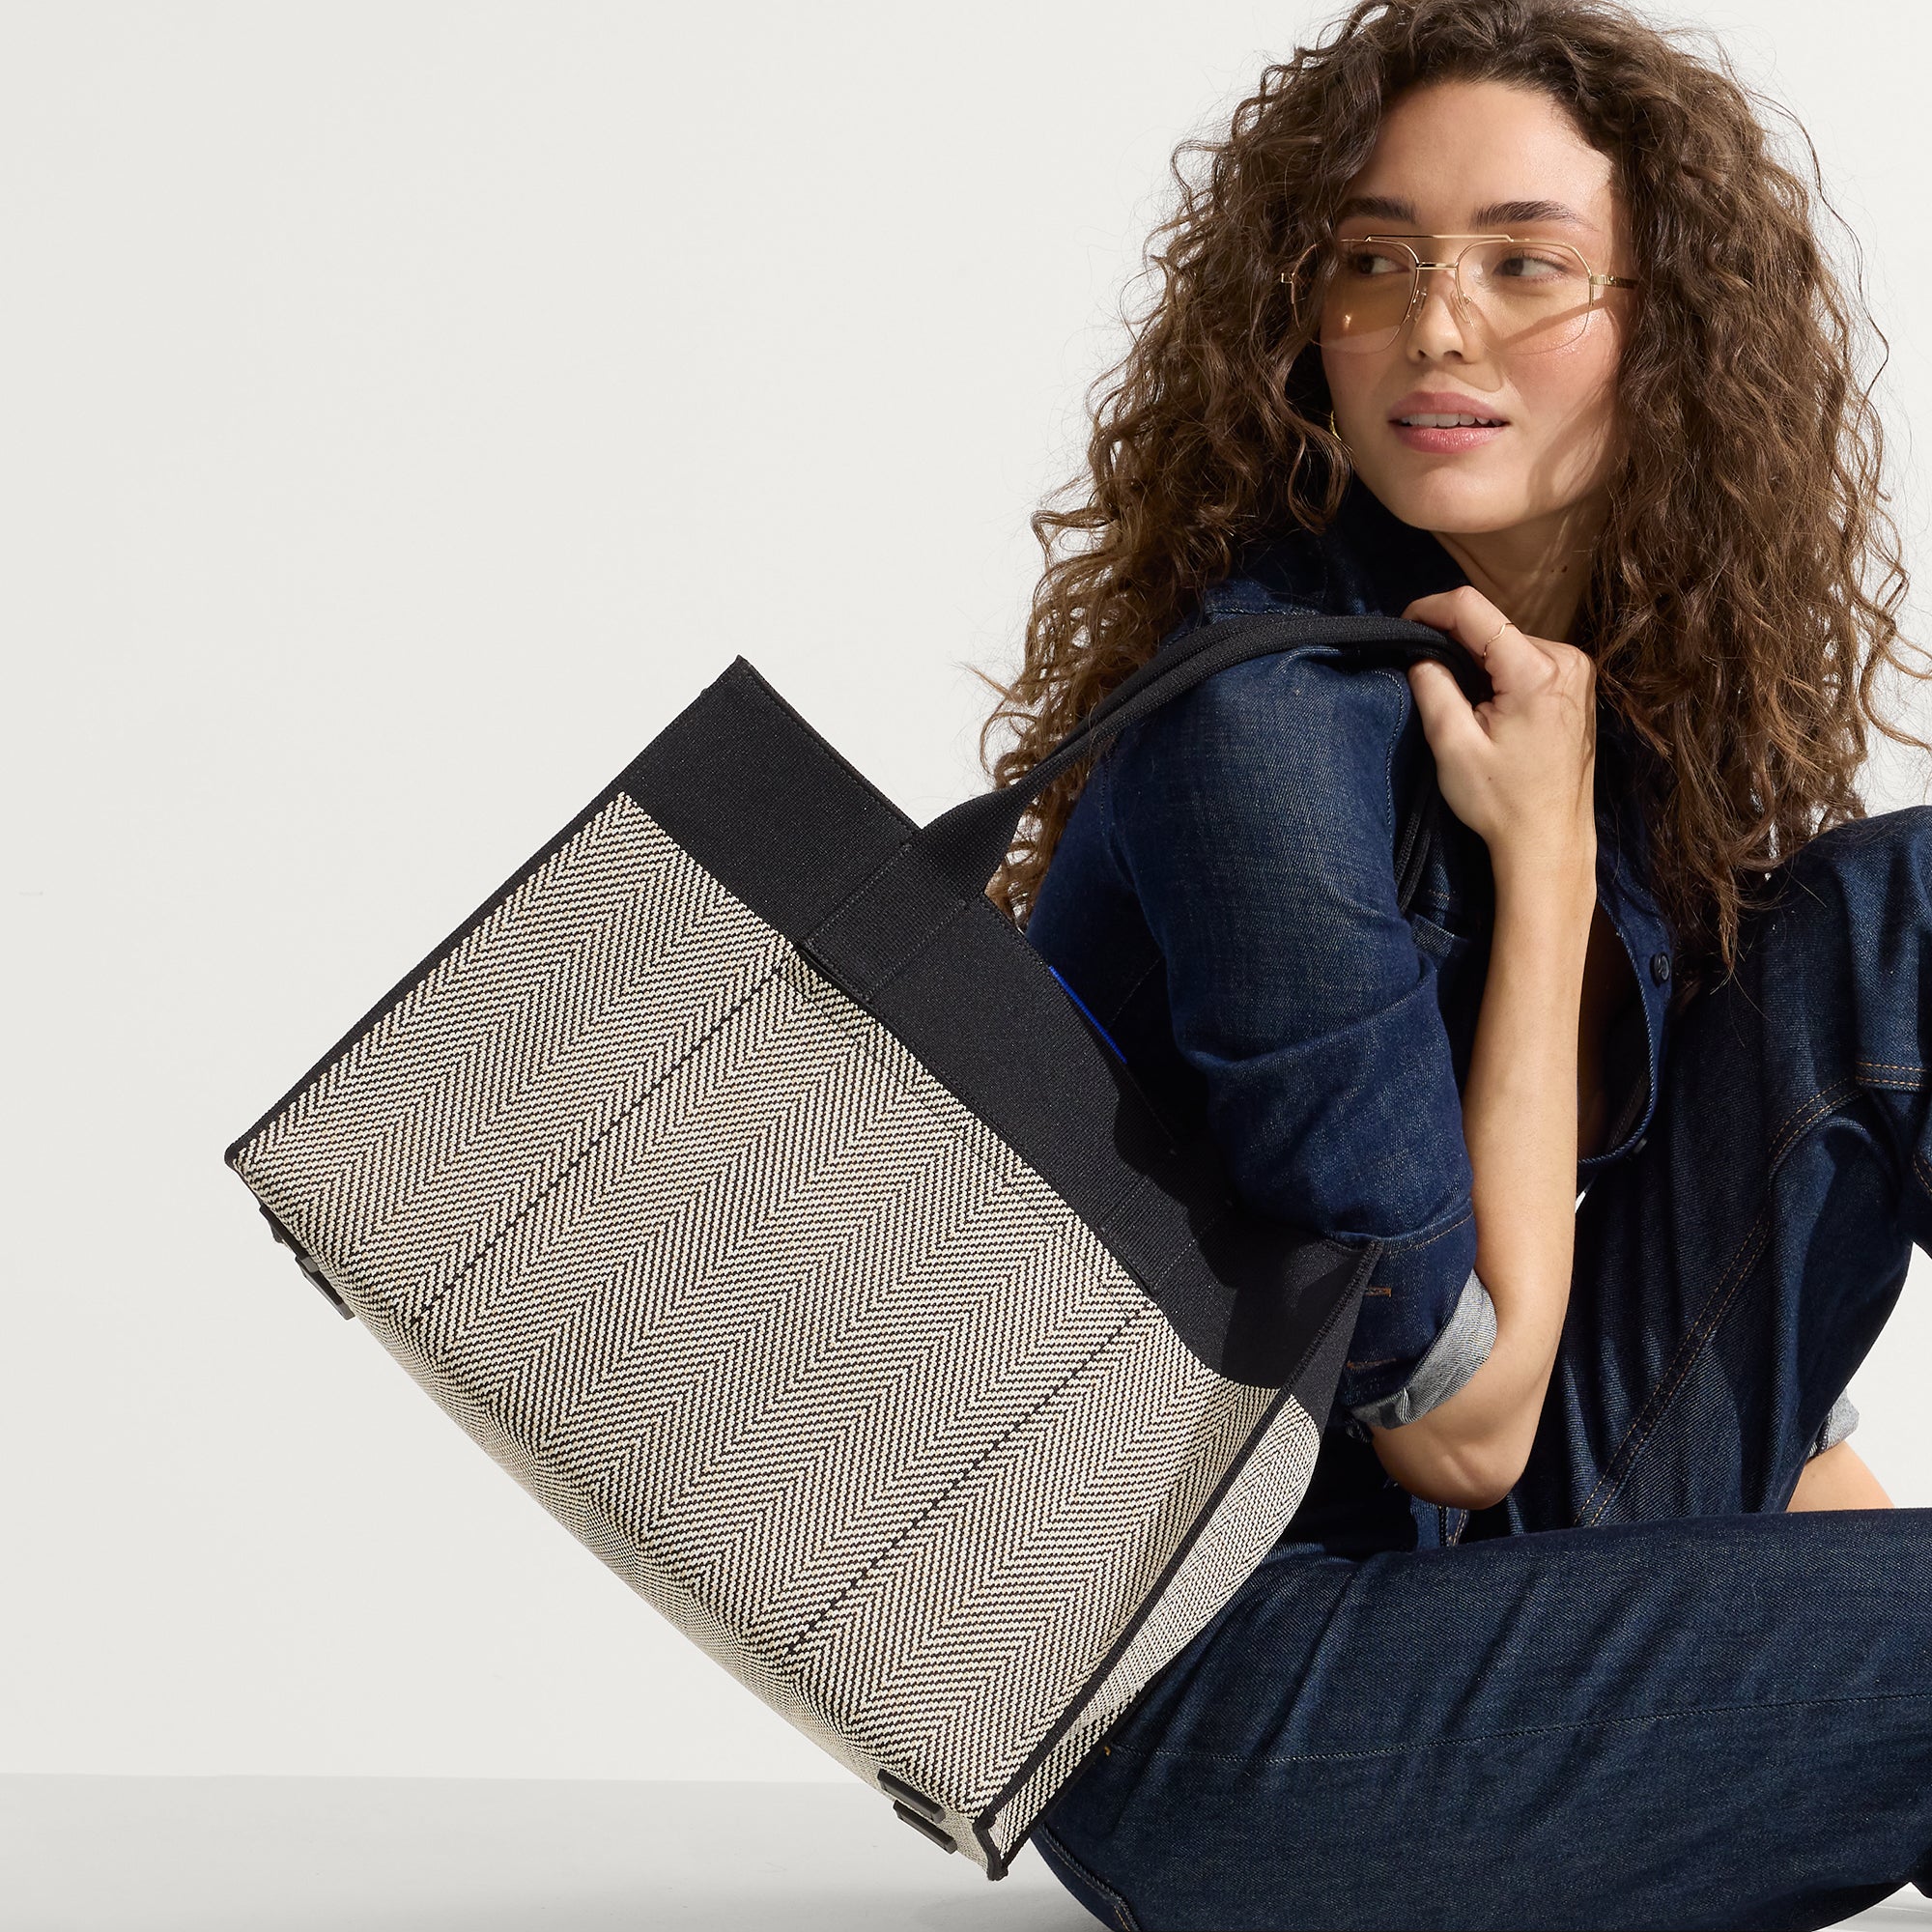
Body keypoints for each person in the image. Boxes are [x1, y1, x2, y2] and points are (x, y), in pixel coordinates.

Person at [973, 1, 1932, 1924]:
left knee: (1898, 910)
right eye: (1375, 259)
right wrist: (1548, 876)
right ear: (1298, 318)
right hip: (1228, 1713)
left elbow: (1719, 1313)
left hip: (1475, 1599)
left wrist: (1830, 1632)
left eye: (1521, 263)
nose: (1435, 325)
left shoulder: (1577, 702)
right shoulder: (1259, 735)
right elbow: (1464, 1424)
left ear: (1672, 324)